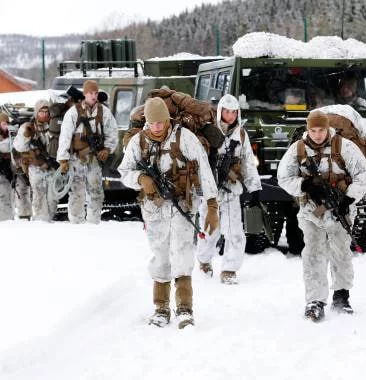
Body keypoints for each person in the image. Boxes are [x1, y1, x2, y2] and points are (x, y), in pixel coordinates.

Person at [118, 97, 219, 329]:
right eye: (152, 123)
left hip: (182, 204)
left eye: (160, 122)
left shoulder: (185, 138)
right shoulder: (138, 142)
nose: (157, 127)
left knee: (182, 254)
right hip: (154, 209)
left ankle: (185, 309)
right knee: (159, 256)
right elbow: (124, 172)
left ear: (167, 119)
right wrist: (141, 178)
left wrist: (212, 206)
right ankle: (161, 308)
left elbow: (204, 170)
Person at [277, 110, 366, 322]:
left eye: (321, 130)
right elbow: (283, 177)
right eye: (313, 130)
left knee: (340, 251)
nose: (317, 135)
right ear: (308, 129)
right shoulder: (298, 149)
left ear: (327, 127)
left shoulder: (343, 146)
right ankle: (315, 301)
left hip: (341, 210)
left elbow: (363, 175)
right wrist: (304, 185)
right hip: (311, 211)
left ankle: (341, 296)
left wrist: (348, 199)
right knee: (313, 253)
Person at [196, 94, 261, 285]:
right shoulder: (209, 131)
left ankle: (229, 269)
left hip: (232, 190)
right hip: (210, 191)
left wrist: (254, 188)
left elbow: (248, 161)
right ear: (220, 111)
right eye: (226, 111)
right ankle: (204, 260)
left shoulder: (240, 135)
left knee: (234, 232)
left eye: (234, 112)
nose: (230, 116)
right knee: (210, 230)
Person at [57, 80, 118, 224]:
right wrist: (63, 159)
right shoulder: (73, 112)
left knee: (96, 191)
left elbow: (112, 133)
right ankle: (77, 223)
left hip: (94, 158)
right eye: (90, 93)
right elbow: (65, 136)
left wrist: (108, 148)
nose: (94, 96)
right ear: (85, 94)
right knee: (77, 192)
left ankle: (93, 223)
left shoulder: (104, 112)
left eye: (96, 93)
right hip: (76, 158)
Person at [13, 99, 59, 222]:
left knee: (52, 198)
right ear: (36, 112)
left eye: (46, 111)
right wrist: (26, 136)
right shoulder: (28, 126)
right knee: (39, 196)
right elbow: (18, 147)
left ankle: (49, 220)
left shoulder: (54, 126)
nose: (44, 114)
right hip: (35, 167)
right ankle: (40, 222)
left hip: (52, 167)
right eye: (41, 111)